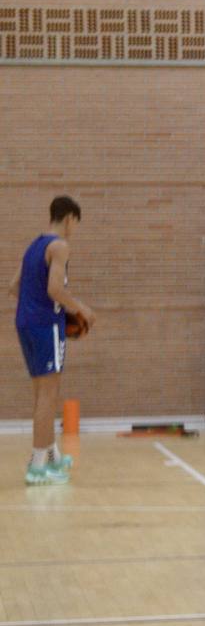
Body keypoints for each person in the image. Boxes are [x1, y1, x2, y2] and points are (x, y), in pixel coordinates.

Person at [9, 196, 95, 485]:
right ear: (70, 218)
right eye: (75, 224)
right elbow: (55, 288)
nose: (74, 230)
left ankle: (52, 455)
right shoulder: (60, 246)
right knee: (48, 397)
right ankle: (36, 466)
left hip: (25, 324)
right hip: (47, 327)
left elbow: (13, 286)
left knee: (41, 395)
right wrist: (80, 308)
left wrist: (34, 305)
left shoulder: (34, 245)